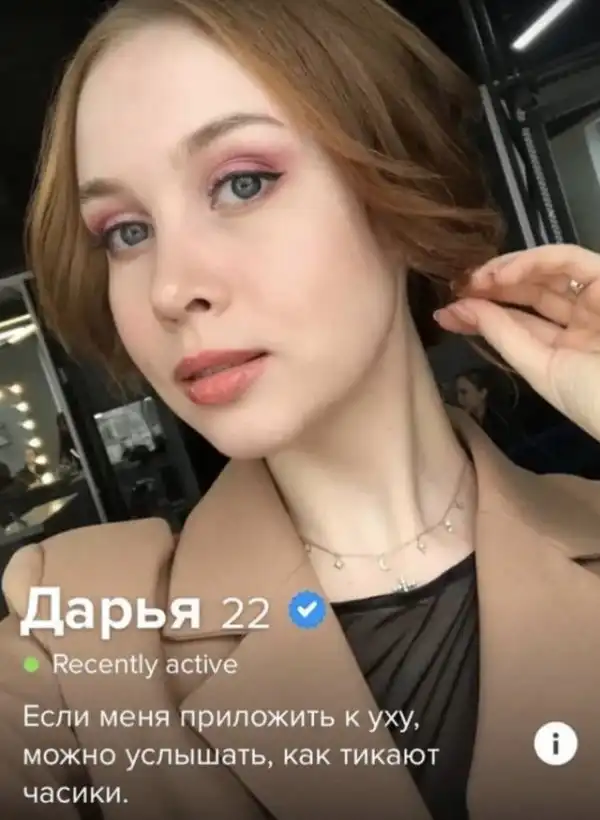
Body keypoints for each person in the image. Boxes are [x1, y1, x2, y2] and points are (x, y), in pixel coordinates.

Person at [0, 1, 599, 818]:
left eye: (241, 183)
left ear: (396, 192)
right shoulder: (72, 637)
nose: (170, 289)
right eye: (127, 232)